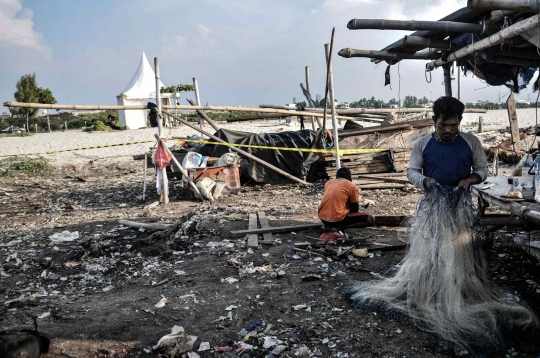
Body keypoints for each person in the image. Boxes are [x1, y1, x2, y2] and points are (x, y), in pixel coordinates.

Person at [407, 96, 488, 190]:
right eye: (443, 125)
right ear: (434, 120)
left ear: (460, 120)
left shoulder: (472, 142)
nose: (448, 130)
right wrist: (426, 181)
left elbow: (482, 169)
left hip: (462, 201)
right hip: (432, 201)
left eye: (453, 125)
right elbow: (412, 171)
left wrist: (469, 180)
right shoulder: (422, 143)